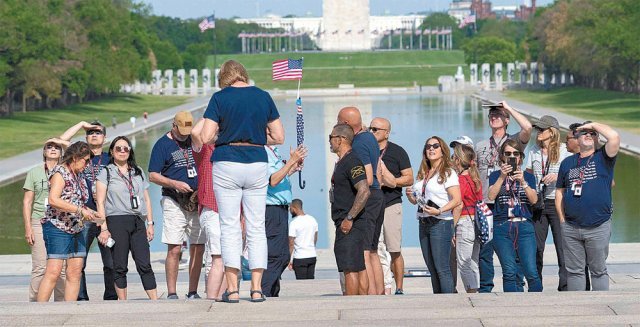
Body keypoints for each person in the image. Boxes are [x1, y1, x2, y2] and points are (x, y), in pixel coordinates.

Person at [199, 60, 284, 303]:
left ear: (224, 78)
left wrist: (225, 132)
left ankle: (233, 289)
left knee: (230, 226)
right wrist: (256, 134)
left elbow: (206, 136)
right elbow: (278, 136)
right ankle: (257, 288)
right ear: (244, 75)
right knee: (256, 225)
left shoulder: (219, 98)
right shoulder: (263, 96)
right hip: (257, 160)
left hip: (227, 160)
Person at [474, 101, 532, 293]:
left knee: (514, 250)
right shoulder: (481, 145)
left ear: (507, 119)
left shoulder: (513, 142)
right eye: (492, 114)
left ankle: (516, 285)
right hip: (486, 203)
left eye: (498, 114)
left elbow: (527, 127)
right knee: (485, 250)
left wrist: (507, 107)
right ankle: (485, 287)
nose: (494, 117)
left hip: (507, 203)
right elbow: (475, 174)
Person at [556, 121, 620, 291]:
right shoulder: (567, 163)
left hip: (598, 225)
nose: (588, 135)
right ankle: (577, 311)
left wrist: (592, 124)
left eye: (592, 133)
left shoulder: (604, 157)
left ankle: (600, 310)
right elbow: (560, 193)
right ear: (576, 137)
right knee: (574, 271)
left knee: (598, 270)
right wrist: (562, 220)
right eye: (584, 133)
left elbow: (614, 137)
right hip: (571, 226)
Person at [149, 111, 204, 300]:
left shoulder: (195, 139)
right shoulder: (162, 145)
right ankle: (172, 292)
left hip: (196, 199)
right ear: (173, 126)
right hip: (174, 198)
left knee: (198, 246)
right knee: (174, 247)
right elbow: (153, 175)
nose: (185, 134)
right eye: (181, 131)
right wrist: (174, 183)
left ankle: (193, 291)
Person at [37, 141, 102, 302]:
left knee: (75, 271)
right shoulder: (60, 172)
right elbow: (53, 199)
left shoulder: (79, 175)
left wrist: (93, 213)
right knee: (54, 271)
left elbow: (78, 202)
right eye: (85, 160)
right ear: (75, 157)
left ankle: (69, 309)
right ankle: (38, 311)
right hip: (57, 226)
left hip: (76, 227)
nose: (87, 165)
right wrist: (79, 211)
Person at [95, 136, 158, 300]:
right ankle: (123, 302)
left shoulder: (137, 171)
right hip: (116, 221)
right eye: (118, 148)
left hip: (137, 221)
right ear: (112, 151)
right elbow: (100, 202)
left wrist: (150, 224)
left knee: (144, 263)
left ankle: (155, 301)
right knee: (120, 265)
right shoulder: (106, 172)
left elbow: (147, 199)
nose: (122, 151)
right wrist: (104, 228)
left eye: (126, 148)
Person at [59, 121, 116, 301]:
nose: (94, 134)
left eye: (98, 132)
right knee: (78, 261)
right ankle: (81, 297)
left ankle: (111, 296)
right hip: (83, 215)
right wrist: (81, 124)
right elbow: (61, 140)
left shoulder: (110, 158)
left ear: (104, 138)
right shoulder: (79, 156)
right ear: (85, 136)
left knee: (111, 262)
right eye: (90, 132)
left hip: (105, 215)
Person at [338, 107, 384, 295]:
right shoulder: (369, 138)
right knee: (372, 251)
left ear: (346, 124)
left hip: (368, 199)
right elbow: (378, 170)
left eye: (339, 121)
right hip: (377, 197)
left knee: (362, 252)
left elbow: (368, 178)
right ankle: (378, 294)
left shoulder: (358, 144)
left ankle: (368, 297)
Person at [406, 136, 461, 294]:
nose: (431, 149)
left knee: (442, 268)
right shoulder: (424, 173)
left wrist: (439, 210)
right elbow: (417, 201)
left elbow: (457, 199)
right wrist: (410, 196)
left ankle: (449, 304)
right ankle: (438, 302)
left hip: (441, 223)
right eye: (428, 146)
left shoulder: (448, 173)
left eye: (435, 146)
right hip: (424, 222)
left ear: (442, 151)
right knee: (432, 267)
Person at [487, 139, 542, 292]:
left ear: (521, 157)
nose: (512, 156)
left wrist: (523, 182)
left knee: (531, 271)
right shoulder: (496, 175)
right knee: (509, 271)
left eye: (515, 154)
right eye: (508, 153)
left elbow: (534, 200)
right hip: (502, 226)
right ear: (502, 157)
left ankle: (539, 306)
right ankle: (511, 307)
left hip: (524, 225)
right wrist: (502, 177)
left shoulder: (528, 177)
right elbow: (491, 196)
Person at [526, 115, 571, 291]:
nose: (538, 132)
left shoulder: (565, 151)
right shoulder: (533, 152)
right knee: (536, 248)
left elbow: (573, 177)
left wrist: (558, 177)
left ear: (551, 132)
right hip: (538, 203)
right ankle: (536, 286)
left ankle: (565, 287)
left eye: (541, 129)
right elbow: (529, 177)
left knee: (562, 247)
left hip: (558, 203)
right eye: (537, 129)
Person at [369, 117, 413, 295]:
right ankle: (378, 286)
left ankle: (400, 287)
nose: (371, 132)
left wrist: (392, 181)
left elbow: (409, 178)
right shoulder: (366, 150)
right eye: (370, 128)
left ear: (386, 133)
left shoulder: (397, 152)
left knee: (394, 248)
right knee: (372, 249)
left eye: (376, 129)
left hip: (391, 204)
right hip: (371, 205)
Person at [23, 138, 69, 301]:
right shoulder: (34, 172)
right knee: (40, 266)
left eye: (57, 147)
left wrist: (61, 141)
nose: (53, 149)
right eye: (49, 147)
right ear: (44, 152)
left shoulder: (66, 170)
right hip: (39, 221)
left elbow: (77, 152)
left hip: (60, 223)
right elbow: (27, 202)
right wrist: (28, 227)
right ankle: (35, 302)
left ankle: (61, 302)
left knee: (61, 267)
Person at [329, 123, 371, 295]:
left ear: (340, 139)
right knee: (358, 265)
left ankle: (352, 303)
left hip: (350, 223)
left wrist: (350, 218)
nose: (330, 142)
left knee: (350, 268)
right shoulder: (343, 161)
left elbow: (364, 190)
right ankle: (362, 305)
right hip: (347, 221)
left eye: (331, 138)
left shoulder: (352, 160)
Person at [262, 145, 307, 297]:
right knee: (276, 255)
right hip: (271, 209)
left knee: (283, 256)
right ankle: (264, 291)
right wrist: (290, 162)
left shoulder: (273, 151)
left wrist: (292, 167)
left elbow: (279, 177)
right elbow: (272, 180)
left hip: (281, 209)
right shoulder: (264, 152)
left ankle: (272, 291)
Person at [190, 118, 225, 301]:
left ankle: (222, 294)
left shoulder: (228, 149)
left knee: (227, 256)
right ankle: (212, 296)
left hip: (228, 208)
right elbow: (195, 133)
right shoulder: (204, 149)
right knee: (215, 255)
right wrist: (212, 113)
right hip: (211, 207)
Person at [450, 140, 482, 293]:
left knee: (463, 263)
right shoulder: (475, 179)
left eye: (453, 157)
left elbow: (458, 205)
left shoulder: (460, 180)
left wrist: (452, 228)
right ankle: (475, 288)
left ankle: (471, 291)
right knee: (473, 261)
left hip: (464, 222)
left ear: (458, 160)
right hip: (475, 221)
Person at [288, 199, 319, 280]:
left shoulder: (294, 223)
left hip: (300, 258)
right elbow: (315, 238)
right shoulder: (312, 219)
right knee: (311, 282)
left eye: (290, 209)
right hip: (312, 256)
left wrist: (288, 260)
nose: (290, 211)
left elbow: (291, 243)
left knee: (301, 283)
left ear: (294, 208)